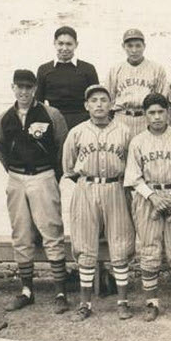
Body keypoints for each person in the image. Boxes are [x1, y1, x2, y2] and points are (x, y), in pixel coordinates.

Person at [0, 69, 69, 314]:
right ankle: (27, 290)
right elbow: (3, 151)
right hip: (17, 177)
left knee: (51, 230)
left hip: (44, 175)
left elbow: (62, 147)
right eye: (20, 87)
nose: (24, 91)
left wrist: (51, 175)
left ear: (35, 88)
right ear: (13, 87)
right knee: (21, 233)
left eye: (28, 87)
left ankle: (60, 292)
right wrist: (16, 172)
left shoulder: (51, 114)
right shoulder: (5, 118)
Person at [62, 84, 135, 321]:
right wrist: (87, 182)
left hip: (116, 187)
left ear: (111, 104)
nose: (99, 104)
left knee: (121, 243)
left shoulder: (124, 131)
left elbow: (132, 166)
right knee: (85, 245)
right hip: (86, 187)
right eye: (93, 100)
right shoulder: (77, 132)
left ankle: (123, 302)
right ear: (86, 105)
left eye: (104, 99)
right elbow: (68, 166)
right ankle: (85, 304)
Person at [124, 93, 171, 322]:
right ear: (145, 115)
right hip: (148, 198)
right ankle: (151, 303)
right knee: (149, 251)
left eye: (160, 112)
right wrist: (153, 197)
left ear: (168, 112)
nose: (156, 117)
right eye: (151, 112)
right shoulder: (138, 141)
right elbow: (134, 177)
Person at [105, 28, 168, 136]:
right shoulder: (115, 69)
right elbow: (109, 99)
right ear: (123, 46)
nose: (134, 50)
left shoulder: (157, 69)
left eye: (138, 46)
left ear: (144, 46)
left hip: (146, 119)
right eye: (129, 46)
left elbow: (162, 100)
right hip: (122, 118)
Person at [35, 26, 100, 130]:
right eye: (60, 43)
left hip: (83, 122)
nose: (64, 48)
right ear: (54, 43)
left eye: (69, 44)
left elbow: (96, 99)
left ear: (76, 44)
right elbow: (38, 102)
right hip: (54, 121)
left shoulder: (88, 69)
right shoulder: (44, 69)